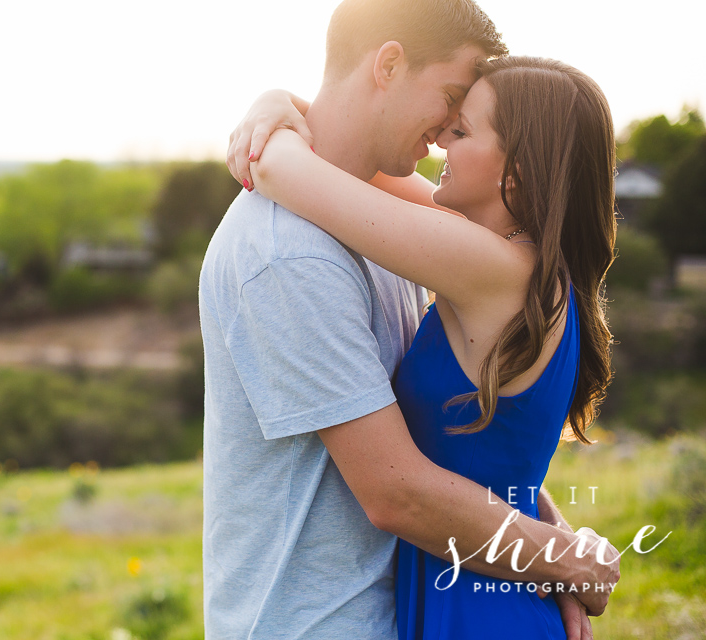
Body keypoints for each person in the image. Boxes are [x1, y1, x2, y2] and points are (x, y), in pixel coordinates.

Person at [200, 0, 619, 638]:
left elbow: (285, 165)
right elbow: (471, 463)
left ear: (517, 169)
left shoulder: (463, 252)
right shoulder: (298, 252)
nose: (449, 128)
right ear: (389, 62)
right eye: (453, 99)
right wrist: (552, 556)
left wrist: (554, 561)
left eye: (466, 126)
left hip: (449, 603)